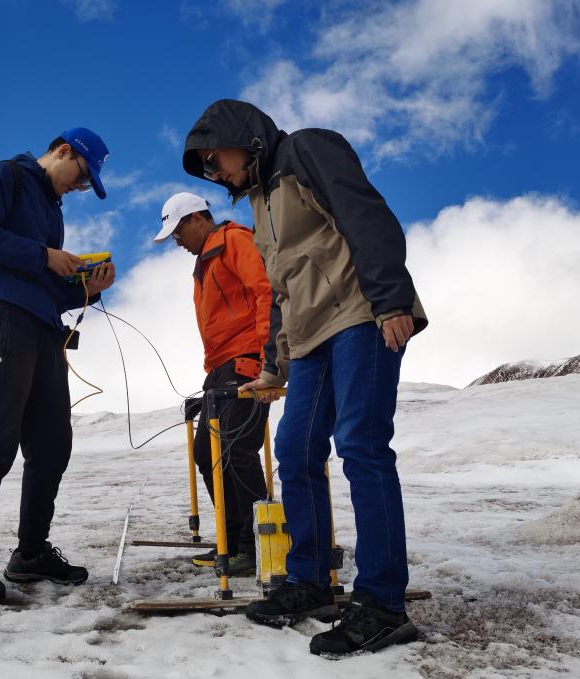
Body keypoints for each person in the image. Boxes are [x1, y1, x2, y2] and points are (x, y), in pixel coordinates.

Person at [182, 100, 428, 655]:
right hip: (312, 339)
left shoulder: (306, 149)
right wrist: (274, 366)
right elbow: (281, 291)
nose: (215, 173)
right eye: (207, 169)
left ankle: (383, 604)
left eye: (214, 159)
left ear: (241, 137)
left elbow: (365, 215)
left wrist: (392, 298)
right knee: (294, 451)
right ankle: (309, 581)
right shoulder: (259, 200)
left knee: (361, 446)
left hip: (361, 315)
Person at [0, 128, 116, 599]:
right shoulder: (6, 176)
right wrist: (44, 255)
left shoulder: (52, 209)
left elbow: (46, 285)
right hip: (1, 315)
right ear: (63, 151)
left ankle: (30, 552)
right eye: (82, 176)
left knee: (51, 444)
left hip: (44, 328)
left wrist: (87, 288)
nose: (80, 187)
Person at [154, 192, 273, 575]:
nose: (177, 241)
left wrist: (267, 358)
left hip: (247, 361)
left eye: (177, 232)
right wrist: (211, 377)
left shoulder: (234, 240)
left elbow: (264, 291)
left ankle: (256, 547)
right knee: (207, 454)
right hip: (221, 369)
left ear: (196, 219)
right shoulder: (204, 261)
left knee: (237, 450)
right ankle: (231, 541)